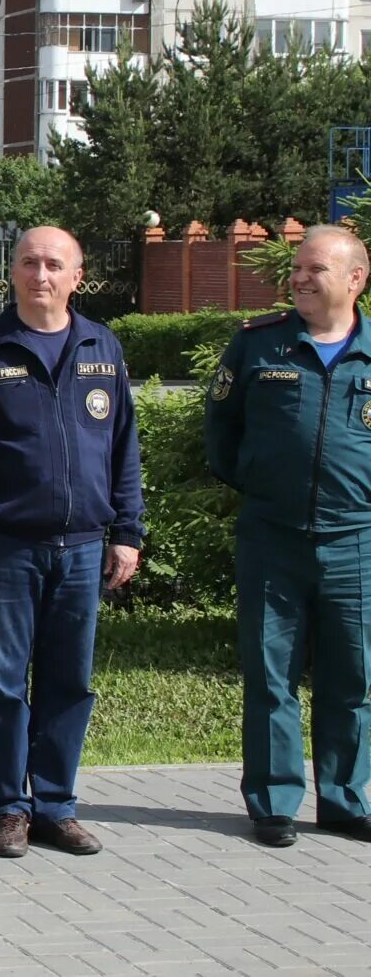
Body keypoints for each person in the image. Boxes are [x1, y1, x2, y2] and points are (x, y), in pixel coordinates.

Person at [0, 226, 143, 858]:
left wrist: (126, 532)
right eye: (28, 262)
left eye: (54, 264)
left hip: (82, 546)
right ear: (13, 273)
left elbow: (124, 449)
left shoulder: (101, 345)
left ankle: (55, 805)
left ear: (78, 275)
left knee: (69, 680)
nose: (40, 274)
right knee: (4, 682)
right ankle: (8, 810)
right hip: (5, 548)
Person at [203, 224, 371, 849]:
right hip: (271, 535)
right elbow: (221, 431)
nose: (298, 277)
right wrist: (256, 482)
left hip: (357, 541)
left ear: (355, 279)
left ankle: (345, 800)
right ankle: (274, 801)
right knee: (270, 674)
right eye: (297, 267)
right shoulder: (259, 344)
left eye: (315, 269)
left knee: (351, 676)